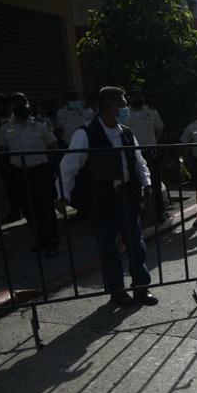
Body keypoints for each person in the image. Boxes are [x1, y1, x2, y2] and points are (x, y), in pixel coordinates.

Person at [58, 86, 158, 306]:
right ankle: (117, 292)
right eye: (122, 103)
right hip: (101, 198)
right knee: (108, 247)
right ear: (109, 106)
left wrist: (147, 184)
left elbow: (139, 161)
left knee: (136, 244)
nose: (125, 108)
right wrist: (63, 194)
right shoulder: (86, 133)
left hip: (127, 195)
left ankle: (141, 288)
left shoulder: (126, 132)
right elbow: (69, 166)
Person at [0, 93, 60, 258]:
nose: (20, 106)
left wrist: (48, 165)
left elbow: (52, 145)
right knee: (27, 207)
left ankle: (52, 241)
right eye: (16, 104)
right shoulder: (5, 128)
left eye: (23, 103)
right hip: (19, 173)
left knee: (45, 207)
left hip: (40, 171)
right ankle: (39, 239)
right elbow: (2, 148)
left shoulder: (40, 125)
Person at [127, 91, 168, 218]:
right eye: (135, 96)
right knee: (135, 185)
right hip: (133, 153)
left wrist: (153, 142)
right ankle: (140, 213)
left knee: (155, 182)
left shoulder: (151, 111)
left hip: (150, 152)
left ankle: (160, 212)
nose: (138, 98)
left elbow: (159, 128)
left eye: (140, 96)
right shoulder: (125, 112)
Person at [0, 93, 22, 223]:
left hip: (20, 157)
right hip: (5, 159)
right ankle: (15, 211)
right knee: (10, 187)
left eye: (1, 105)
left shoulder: (18, 117)